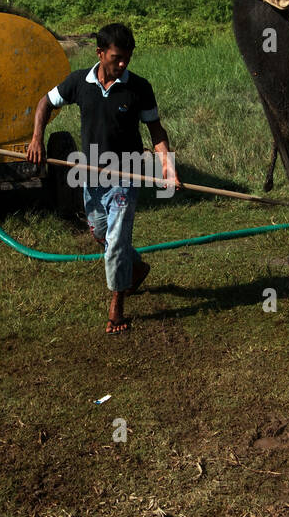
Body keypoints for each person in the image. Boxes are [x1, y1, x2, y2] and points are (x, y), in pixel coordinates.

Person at [28, 24, 179, 334]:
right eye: (116, 58)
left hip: (126, 174)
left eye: (127, 58)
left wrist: (167, 164)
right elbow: (45, 102)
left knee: (115, 243)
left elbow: (156, 130)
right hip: (92, 175)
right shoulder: (79, 83)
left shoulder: (139, 88)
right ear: (100, 54)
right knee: (100, 232)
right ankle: (136, 267)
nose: (123, 64)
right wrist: (36, 139)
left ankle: (117, 309)